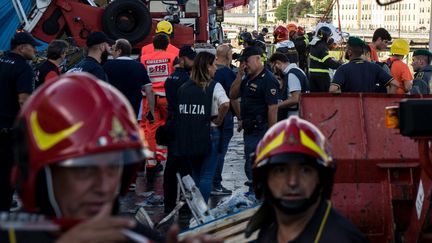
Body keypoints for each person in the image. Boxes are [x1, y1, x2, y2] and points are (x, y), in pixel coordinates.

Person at [2, 73, 221, 243]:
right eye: (85, 169)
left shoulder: (131, 235)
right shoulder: (10, 235)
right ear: (39, 176)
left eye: (114, 167)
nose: (105, 186)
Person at [244, 116, 368, 243]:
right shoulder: (268, 231)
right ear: (264, 179)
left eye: (305, 171)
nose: (292, 182)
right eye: (281, 170)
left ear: (321, 178)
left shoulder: (343, 239)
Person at [174, 52, 230, 203]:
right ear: (207, 67)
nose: (216, 68)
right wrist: (219, 119)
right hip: (209, 132)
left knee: (196, 174)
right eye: (213, 65)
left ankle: (196, 210)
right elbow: (225, 103)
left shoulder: (184, 87)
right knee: (207, 175)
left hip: (190, 134)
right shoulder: (213, 86)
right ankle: (202, 210)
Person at [229, 46, 279, 193]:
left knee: (255, 164)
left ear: (258, 59)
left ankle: (257, 195)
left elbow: (272, 109)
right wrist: (239, 76)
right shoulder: (247, 78)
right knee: (251, 163)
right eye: (242, 62)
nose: (244, 65)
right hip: (250, 129)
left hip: (261, 129)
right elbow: (232, 95)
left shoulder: (268, 80)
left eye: (246, 61)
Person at [0, 31, 39, 211]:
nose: (35, 51)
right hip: (8, 129)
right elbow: (24, 100)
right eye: (33, 47)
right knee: (7, 170)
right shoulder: (23, 68)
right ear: (22, 47)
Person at [140, 34, 178, 185]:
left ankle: (150, 164)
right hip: (167, 99)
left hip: (150, 100)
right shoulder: (172, 57)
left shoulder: (144, 59)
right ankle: (165, 157)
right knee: (170, 128)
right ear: (167, 44)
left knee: (150, 130)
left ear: (153, 44)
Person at [163, 45, 196, 213]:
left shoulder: (171, 78)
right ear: (182, 59)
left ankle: (169, 203)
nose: (194, 62)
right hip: (183, 125)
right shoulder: (187, 80)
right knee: (185, 167)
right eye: (191, 59)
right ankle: (185, 207)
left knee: (171, 166)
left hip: (172, 123)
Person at [211, 44, 238, 196]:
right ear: (228, 56)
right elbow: (232, 98)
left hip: (209, 114)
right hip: (224, 115)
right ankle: (216, 184)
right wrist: (240, 116)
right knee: (221, 150)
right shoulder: (227, 73)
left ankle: (210, 181)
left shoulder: (211, 70)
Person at [103, 38, 155, 117]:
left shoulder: (107, 66)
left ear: (119, 51)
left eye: (113, 49)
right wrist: (151, 111)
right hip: (134, 112)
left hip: (114, 112)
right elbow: (149, 90)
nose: (112, 52)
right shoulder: (139, 66)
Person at [329, 37, 398, 93]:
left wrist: (343, 98)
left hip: (350, 108)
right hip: (371, 108)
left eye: (346, 49)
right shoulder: (375, 67)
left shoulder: (343, 69)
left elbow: (333, 89)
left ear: (349, 52)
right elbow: (395, 84)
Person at [269, 52, 309, 120]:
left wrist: (276, 106)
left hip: (294, 115)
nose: (275, 72)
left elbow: (295, 98)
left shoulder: (292, 74)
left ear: (278, 63)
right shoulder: (298, 71)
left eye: (274, 68)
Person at [308, 26, 342, 92]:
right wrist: (339, 65)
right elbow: (327, 62)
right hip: (322, 77)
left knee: (314, 97)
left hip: (312, 76)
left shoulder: (314, 44)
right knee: (324, 97)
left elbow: (320, 58)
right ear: (325, 37)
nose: (330, 38)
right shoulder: (322, 47)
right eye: (329, 36)